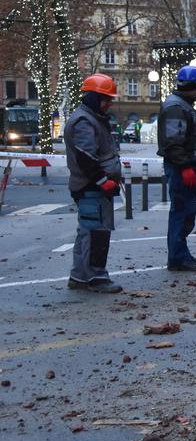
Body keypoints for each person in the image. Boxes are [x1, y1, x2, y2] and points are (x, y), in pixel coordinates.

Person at [65, 74, 124, 293]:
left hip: (92, 186)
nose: (109, 103)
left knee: (88, 232)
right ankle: (94, 277)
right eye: (106, 98)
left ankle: (81, 276)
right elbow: (85, 157)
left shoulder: (91, 118)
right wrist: (102, 180)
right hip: (92, 187)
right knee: (95, 233)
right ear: (93, 97)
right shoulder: (85, 121)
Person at [157, 65, 196, 271]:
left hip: (186, 167)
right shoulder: (177, 108)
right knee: (182, 212)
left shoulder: (181, 105)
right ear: (191, 85)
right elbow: (173, 142)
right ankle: (178, 258)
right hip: (183, 169)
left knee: (184, 212)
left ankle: (180, 254)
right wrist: (185, 166)